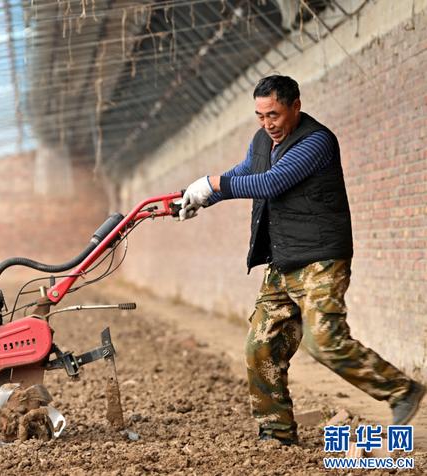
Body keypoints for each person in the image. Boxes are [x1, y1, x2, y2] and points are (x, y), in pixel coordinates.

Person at [178, 74, 425, 445]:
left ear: (295, 106)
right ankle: (276, 431)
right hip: (282, 259)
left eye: (274, 114)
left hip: (321, 259)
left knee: (324, 341)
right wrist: (197, 196)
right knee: (260, 345)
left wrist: (213, 184)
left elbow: (271, 182)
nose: (267, 124)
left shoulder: (316, 142)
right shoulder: (263, 139)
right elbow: (246, 172)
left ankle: (400, 390)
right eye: (260, 116)